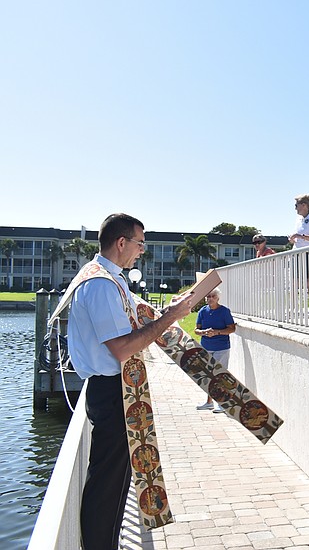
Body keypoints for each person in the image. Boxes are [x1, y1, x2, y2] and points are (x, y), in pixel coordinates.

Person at [67, 213, 194, 550]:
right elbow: (123, 348)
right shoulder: (99, 285)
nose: (142, 251)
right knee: (107, 486)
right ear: (121, 242)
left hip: (116, 390)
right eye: (140, 243)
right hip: (111, 392)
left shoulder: (110, 279)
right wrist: (171, 317)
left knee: (118, 481)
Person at [195, 288, 237, 413]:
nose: (210, 298)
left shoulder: (224, 311)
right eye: (208, 296)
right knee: (208, 375)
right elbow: (196, 329)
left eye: (213, 296)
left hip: (221, 347)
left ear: (218, 298)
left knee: (219, 375)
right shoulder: (203, 311)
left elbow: (232, 329)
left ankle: (221, 404)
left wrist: (217, 332)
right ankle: (209, 403)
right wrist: (203, 332)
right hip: (206, 347)